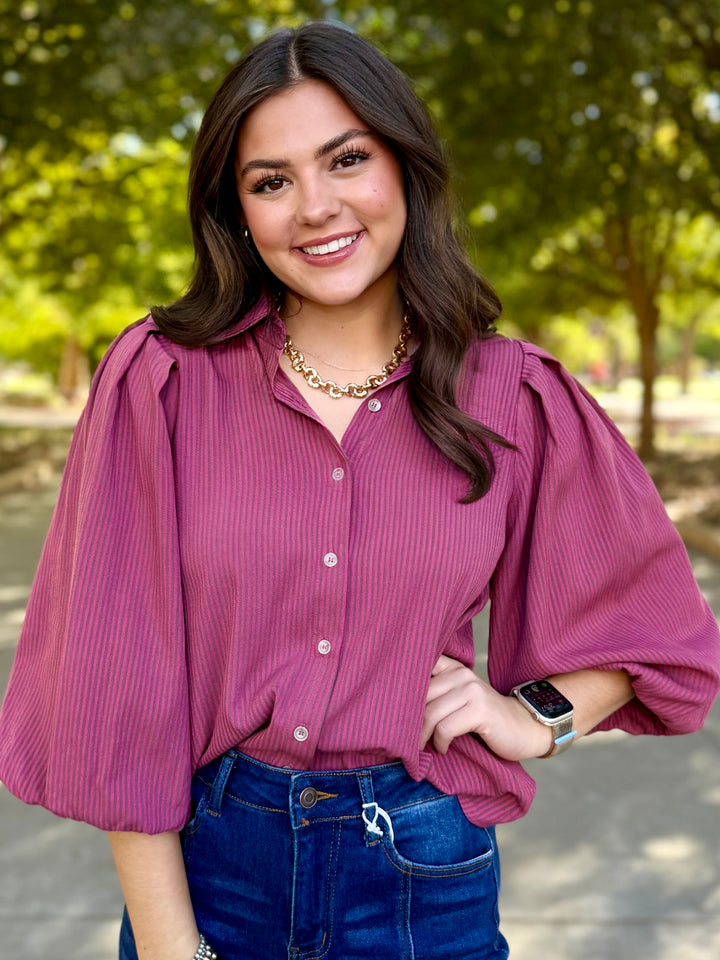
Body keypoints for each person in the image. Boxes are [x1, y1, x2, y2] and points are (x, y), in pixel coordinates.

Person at [0, 21, 719, 960]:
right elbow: (112, 689)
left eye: (347, 159)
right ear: (237, 212)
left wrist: (532, 718)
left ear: (404, 168)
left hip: (426, 866)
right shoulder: (162, 381)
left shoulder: (516, 394)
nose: (314, 207)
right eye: (271, 181)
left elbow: (657, 633)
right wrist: (176, 948)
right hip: (214, 868)